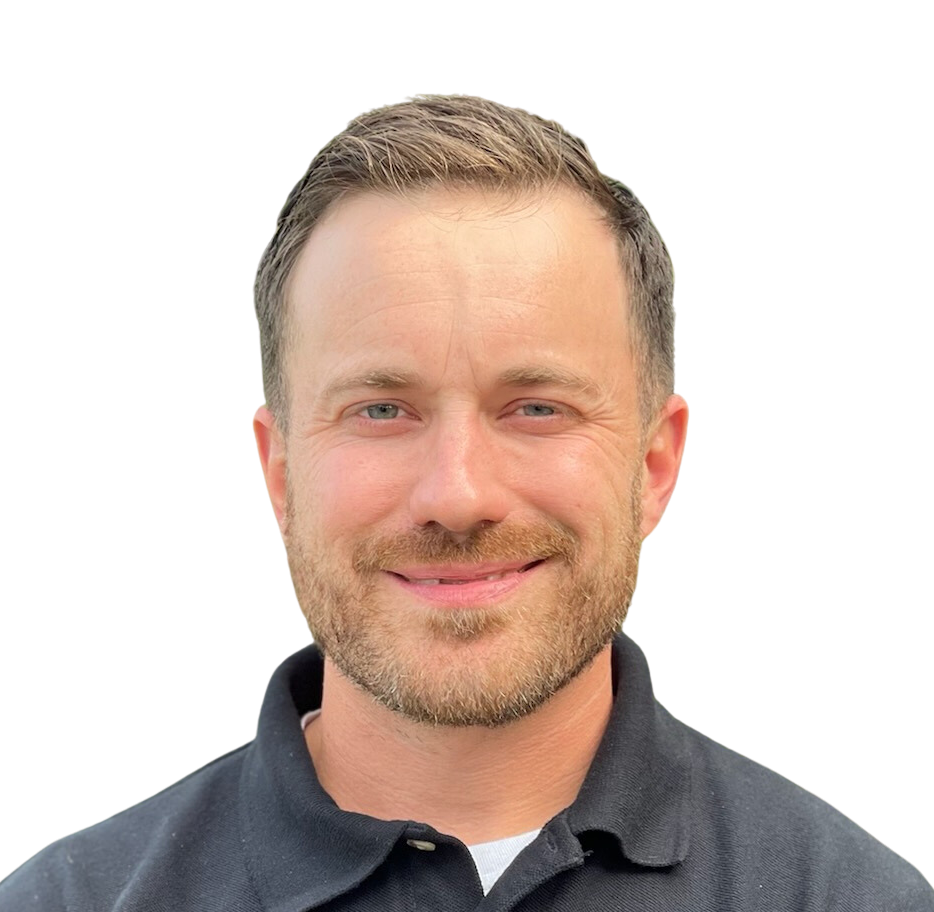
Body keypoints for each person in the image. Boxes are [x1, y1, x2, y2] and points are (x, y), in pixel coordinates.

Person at [2, 93, 930, 911]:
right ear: (278, 471)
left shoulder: (857, 898)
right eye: (380, 410)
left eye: (536, 408)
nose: (457, 495)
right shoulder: (65, 901)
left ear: (655, 463)